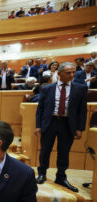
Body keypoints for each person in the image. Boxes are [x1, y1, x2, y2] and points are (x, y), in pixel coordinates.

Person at [35, 62, 88, 192]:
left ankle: (61, 176)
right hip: (50, 122)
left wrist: (80, 128)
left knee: (64, 152)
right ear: (59, 73)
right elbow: (40, 109)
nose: (72, 75)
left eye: (73, 72)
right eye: (68, 72)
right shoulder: (47, 88)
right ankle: (42, 173)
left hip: (67, 124)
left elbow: (82, 110)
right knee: (45, 150)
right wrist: (38, 126)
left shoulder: (80, 88)